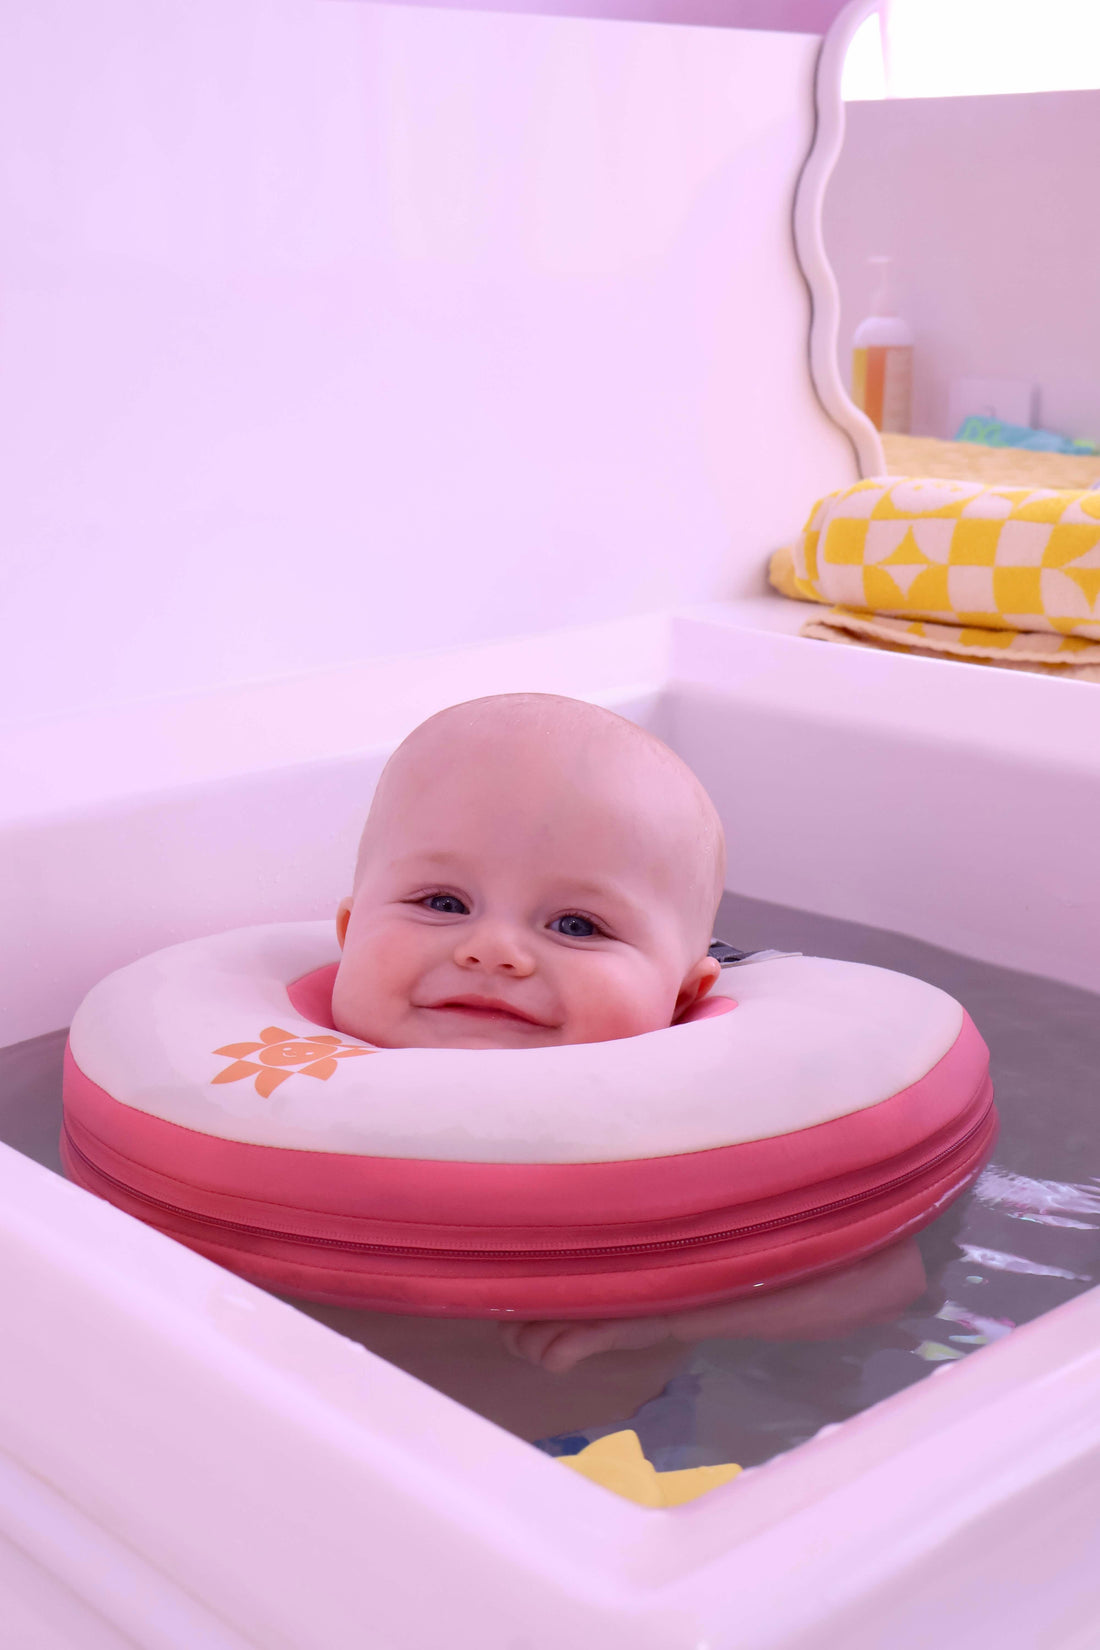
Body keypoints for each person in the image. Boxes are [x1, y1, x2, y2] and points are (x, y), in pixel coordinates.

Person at [332, 691, 726, 1050]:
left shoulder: (709, 1121)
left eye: (576, 926)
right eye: (444, 903)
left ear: (681, 997)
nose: (494, 951)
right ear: (350, 933)